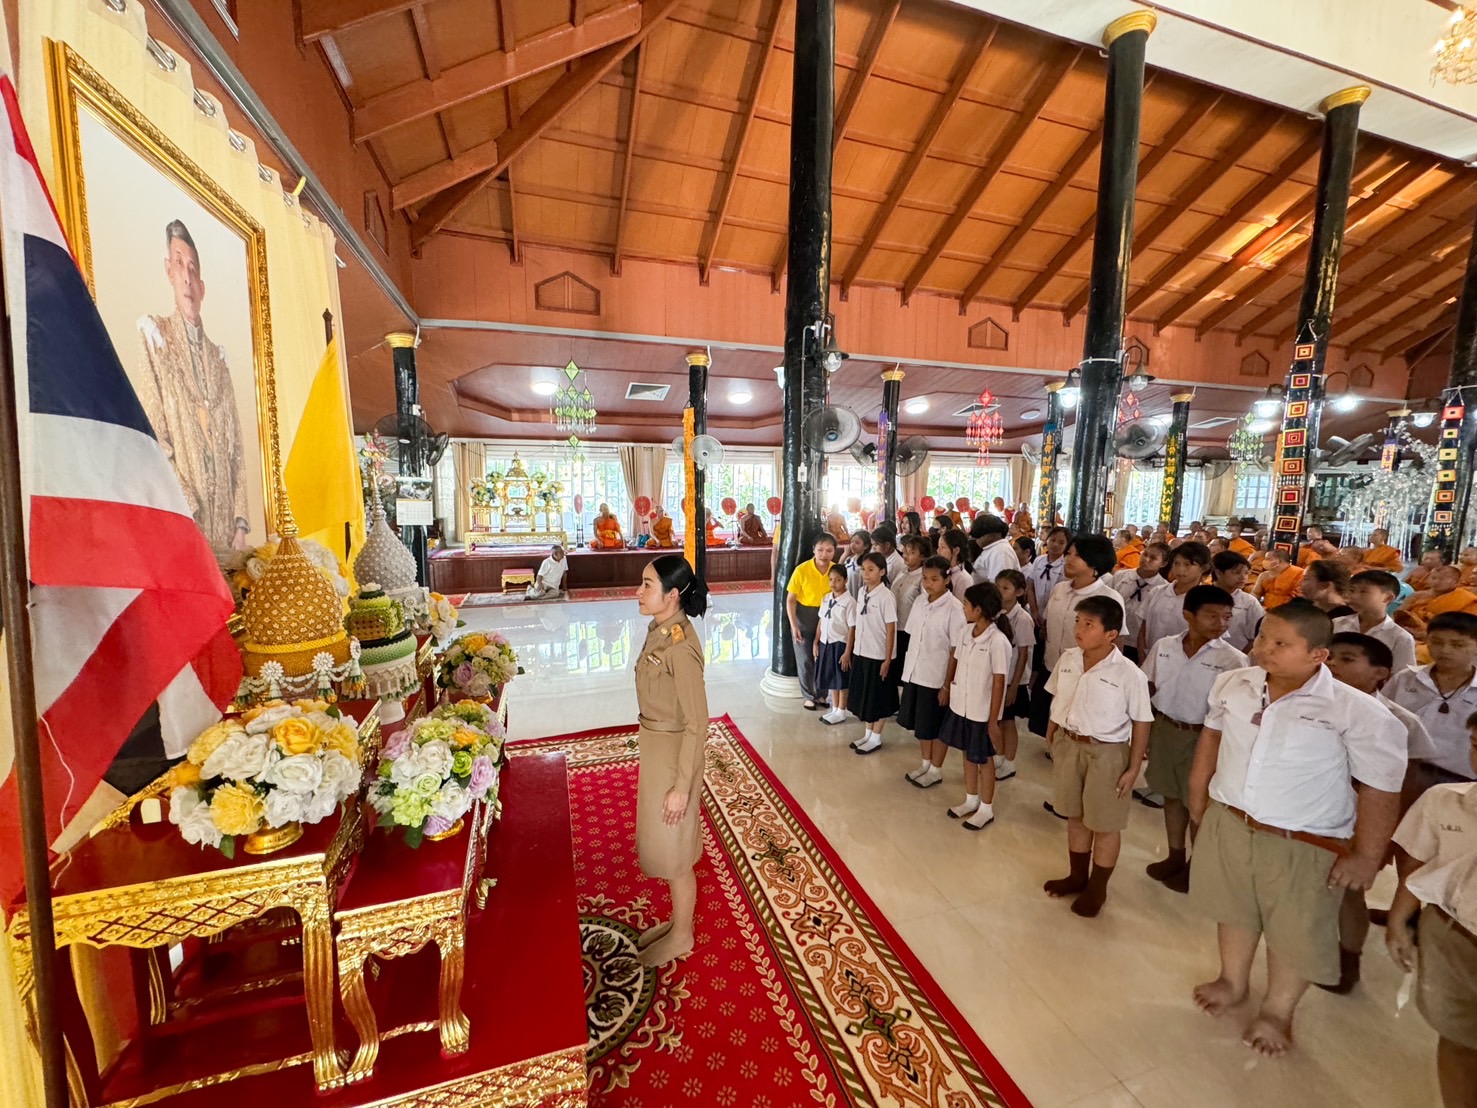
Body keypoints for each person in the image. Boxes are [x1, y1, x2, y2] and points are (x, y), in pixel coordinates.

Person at [1187, 601, 1406, 1056]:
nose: (1264, 649)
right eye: (1264, 637)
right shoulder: (1235, 684)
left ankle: (1278, 1010)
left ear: (1317, 655)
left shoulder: (1357, 712)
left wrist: (1367, 856)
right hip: (1232, 820)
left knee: (1295, 931)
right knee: (1234, 909)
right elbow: (1212, 737)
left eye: (1281, 644)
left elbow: (1381, 788)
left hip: (1303, 839)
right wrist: (1199, 799)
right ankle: (1233, 980)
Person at [1323, 632, 1430, 995]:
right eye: (1331, 656)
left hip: (1357, 821)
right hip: (1308, 813)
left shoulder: (1398, 720)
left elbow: (1403, 786)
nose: (1333, 664)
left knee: (1348, 892)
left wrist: (1374, 842)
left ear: (1380, 673)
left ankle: (1348, 959)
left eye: (1347, 659)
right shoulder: (1310, 702)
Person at [136, 219, 250, 553]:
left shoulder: (218, 359)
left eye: (193, 268)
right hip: (184, 522)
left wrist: (240, 524)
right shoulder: (155, 337)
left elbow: (238, 452)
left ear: (202, 285)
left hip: (226, 528)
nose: (186, 276)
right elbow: (152, 435)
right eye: (179, 264)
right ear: (168, 270)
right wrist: (184, 506)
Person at [1386, 716, 1477, 1108]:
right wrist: (1398, 920)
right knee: (1456, 1036)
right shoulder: (1446, 800)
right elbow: (1418, 862)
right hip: (1450, 933)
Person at [1043, 595, 1153, 916]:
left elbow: (1142, 720)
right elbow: (1060, 695)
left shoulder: (1128, 674)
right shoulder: (1069, 658)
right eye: (1078, 621)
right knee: (1075, 814)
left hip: (1107, 752)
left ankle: (1098, 887)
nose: (1079, 629)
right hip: (1069, 743)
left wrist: (1134, 766)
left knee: (1104, 823)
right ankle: (1077, 876)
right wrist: (1053, 726)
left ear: (1111, 634)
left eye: (1089, 624)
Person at [632, 555, 711, 967]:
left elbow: (699, 724)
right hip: (657, 748)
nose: (639, 592)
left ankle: (682, 935)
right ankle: (675, 922)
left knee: (676, 849)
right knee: (663, 843)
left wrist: (683, 786)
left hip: (675, 758)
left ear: (672, 594)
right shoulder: (660, 631)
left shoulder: (679, 647)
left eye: (647, 585)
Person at [1141, 585, 1244, 893]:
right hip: (1165, 728)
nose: (1221, 624)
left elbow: (1236, 710)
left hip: (1203, 739)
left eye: (1227, 617)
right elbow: (1148, 684)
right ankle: (1175, 855)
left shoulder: (1233, 660)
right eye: (1212, 616)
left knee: (1198, 805)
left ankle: (1198, 867)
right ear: (1188, 615)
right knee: (1171, 796)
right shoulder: (1165, 646)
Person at [1034, 535, 1125, 743]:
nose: (1068, 559)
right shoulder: (1060, 589)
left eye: (1077, 556)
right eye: (1069, 554)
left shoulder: (1108, 598)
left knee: (1077, 721)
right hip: (1053, 665)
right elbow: (1049, 626)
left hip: (1086, 672)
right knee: (1051, 713)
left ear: (1095, 564)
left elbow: (1116, 641)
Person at [939, 582, 1014, 830]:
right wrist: (948, 687)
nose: (963, 608)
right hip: (962, 705)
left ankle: (986, 807)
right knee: (966, 753)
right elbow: (956, 661)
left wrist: (993, 721)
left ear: (979, 609)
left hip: (983, 712)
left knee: (984, 759)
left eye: (967, 604)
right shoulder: (965, 632)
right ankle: (971, 799)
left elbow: (999, 682)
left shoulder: (998, 641)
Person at [1386, 612, 1477, 802]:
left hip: (1461, 781)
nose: (1444, 650)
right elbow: (1381, 719)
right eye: (1436, 642)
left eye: (1457, 645)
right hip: (1403, 771)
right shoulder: (1406, 679)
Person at [900, 556, 966, 789]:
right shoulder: (920, 601)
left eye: (935, 579)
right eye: (925, 578)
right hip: (916, 671)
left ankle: (936, 769)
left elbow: (955, 649)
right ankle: (925, 763)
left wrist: (947, 685)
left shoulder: (954, 608)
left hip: (936, 676)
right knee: (922, 725)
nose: (928, 583)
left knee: (936, 726)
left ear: (947, 579)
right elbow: (913, 636)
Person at [844, 552, 897, 755]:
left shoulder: (886, 596)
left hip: (878, 654)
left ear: (882, 572)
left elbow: (891, 629)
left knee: (879, 697)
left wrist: (887, 659)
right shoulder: (862, 591)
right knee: (865, 695)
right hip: (862, 651)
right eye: (863, 569)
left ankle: (876, 737)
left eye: (871, 570)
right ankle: (867, 734)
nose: (866, 574)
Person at [786, 534, 837, 711]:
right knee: (806, 658)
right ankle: (808, 695)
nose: (824, 554)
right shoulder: (802, 570)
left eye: (829, 550)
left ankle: (822, 694)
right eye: (820, 550)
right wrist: (793, 625)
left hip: (828, 616)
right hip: (804, 615)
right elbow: (790, 600)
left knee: (824, 657)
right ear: (813, 550)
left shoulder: (836, 570)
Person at [1333, 570, 1418, 675]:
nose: (1353, 596)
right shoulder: (1337, 624)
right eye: (1352, 590)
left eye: (1363, 591)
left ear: (1388, 597)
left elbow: (1401, 677)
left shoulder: (1400, 638)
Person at [994, 568, 1035, 782]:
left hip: (1013, 680)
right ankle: (999, 756)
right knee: (999, 720)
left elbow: (1024, 655)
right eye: (998, 587)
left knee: (1009, 722)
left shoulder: (1023, 618)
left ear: (1019, 592)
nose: (1000, 592)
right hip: (1000, 677)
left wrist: (1014, 686)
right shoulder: (997, 613)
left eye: (1006, 588)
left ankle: (1009, 762)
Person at [1138, 541, 1211, 658]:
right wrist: (1142, 657)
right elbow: (1143, 629)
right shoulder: (1157, 592)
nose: (1180, 570)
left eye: (1188, 565)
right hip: (1150, 657)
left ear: (1204, 568)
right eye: (1176, 563)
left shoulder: (1207, 600)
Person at [1112, 541, 1170, 664]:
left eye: (1153, 558)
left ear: (1163, 563)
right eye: (1145, 554)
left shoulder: (1163, 588)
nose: (1146, 559)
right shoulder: (1121, 576)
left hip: (1138, 642)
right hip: (1115, 636)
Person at [816, 565, 856, 726]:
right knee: (831, 677)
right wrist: (816, 641)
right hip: (826, 642)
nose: (833, 583)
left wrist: (847, 652)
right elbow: (821, 620)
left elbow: (852, 628)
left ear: (845, 580)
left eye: (838, 580)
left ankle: (842, 710)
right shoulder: (826, 598)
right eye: (831, 579)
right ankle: (834, 708)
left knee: (841, 678)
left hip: (840, 643)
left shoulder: (849, 602)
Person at [1400, 563, 1477, 641]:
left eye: (1442, 579)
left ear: (1456, 582)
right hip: (1407, 634)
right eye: (1433, 578)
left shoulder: (1466, 599)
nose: (1436, 582)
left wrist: (1426, 634)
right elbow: (1398, 614)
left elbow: (1467, 629)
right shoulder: (1416, 596)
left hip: (1444, 639)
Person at [1210, 551, 1264, 653]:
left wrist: (1239, 657)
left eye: (1246, 573)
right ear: (1218, 573)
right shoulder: (1201, 596)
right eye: (1237, 572)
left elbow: (1257, 637)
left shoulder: (1249, 602)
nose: (1243, 577)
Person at [1026, 526, 1070, 625]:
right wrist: (1034, 611)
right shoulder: (1039, 560)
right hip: (1035, 612)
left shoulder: (1067, 565)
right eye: (1052, 540)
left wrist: (1047, 617)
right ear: (1047, 540)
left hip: (1055, 616)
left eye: (1061, 542)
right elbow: (1030, 586)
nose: (1055, 545)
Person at [970, 513, 1017, 586]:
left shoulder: (1000, 552)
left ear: (992, 534)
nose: (976, 540)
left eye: (978, 536)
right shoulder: (993, 549)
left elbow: (1000, 586)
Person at [938, 528, 974, 601]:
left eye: (942, 547)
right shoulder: (944, 571)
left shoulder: (964, 579)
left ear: (956, 550)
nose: (938, 551)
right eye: (938, 547)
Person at [843, 529, 873, 598]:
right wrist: (845, 554)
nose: (852, 545)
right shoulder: (849, 559)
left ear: (866, 546)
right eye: (852, 541)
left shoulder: (865, 564)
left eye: (857, 543)